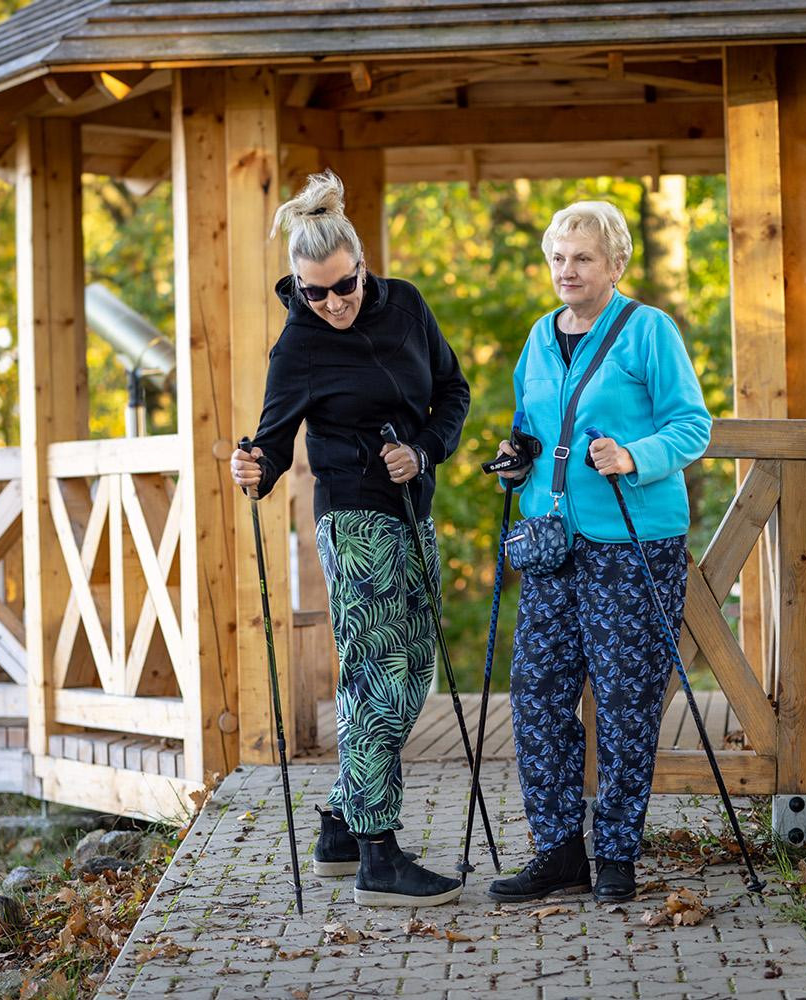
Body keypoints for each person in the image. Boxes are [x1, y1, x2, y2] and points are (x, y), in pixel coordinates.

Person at [229, 170, 470, 907]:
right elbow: (268, 449)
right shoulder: (297, 347)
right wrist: (250, 467)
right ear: (298, 288)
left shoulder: (407, 308)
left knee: (413, 676)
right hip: (354, 519)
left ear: (363, 265)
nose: (333, 304)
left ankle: (339, 821)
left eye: (344, 286)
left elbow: (453, 391)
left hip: (412, 507)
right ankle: (377, 854)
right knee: (378, 675)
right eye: (314, 293)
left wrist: (423, 450)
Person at [487, 200, 712, 905]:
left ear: (615, 264)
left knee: (624, 700)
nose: (567, 270)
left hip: (632, 544)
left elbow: (692, 426)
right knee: (536, 695)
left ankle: (616, 852)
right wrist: (514, 457)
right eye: (558, 257)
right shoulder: (537, 335)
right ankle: (558, 852)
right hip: (552, 544)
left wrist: (634, 455)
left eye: (582, 258)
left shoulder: (648, 331)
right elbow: (529, 423)